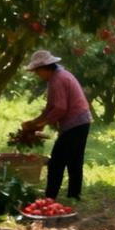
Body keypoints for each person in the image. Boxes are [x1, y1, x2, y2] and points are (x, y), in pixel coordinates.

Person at [22, 50, 92, 200]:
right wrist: (35, 122)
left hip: (75, 123)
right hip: (82, 121)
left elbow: (60, 108)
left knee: (56, 163)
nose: (36, 75)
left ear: (44, 68)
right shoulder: (59, 75)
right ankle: (74, 195)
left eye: (37, 71)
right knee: (74, 160)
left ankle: (50, 197)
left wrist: (43, 123)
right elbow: (50, 108)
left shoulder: (57, 79)